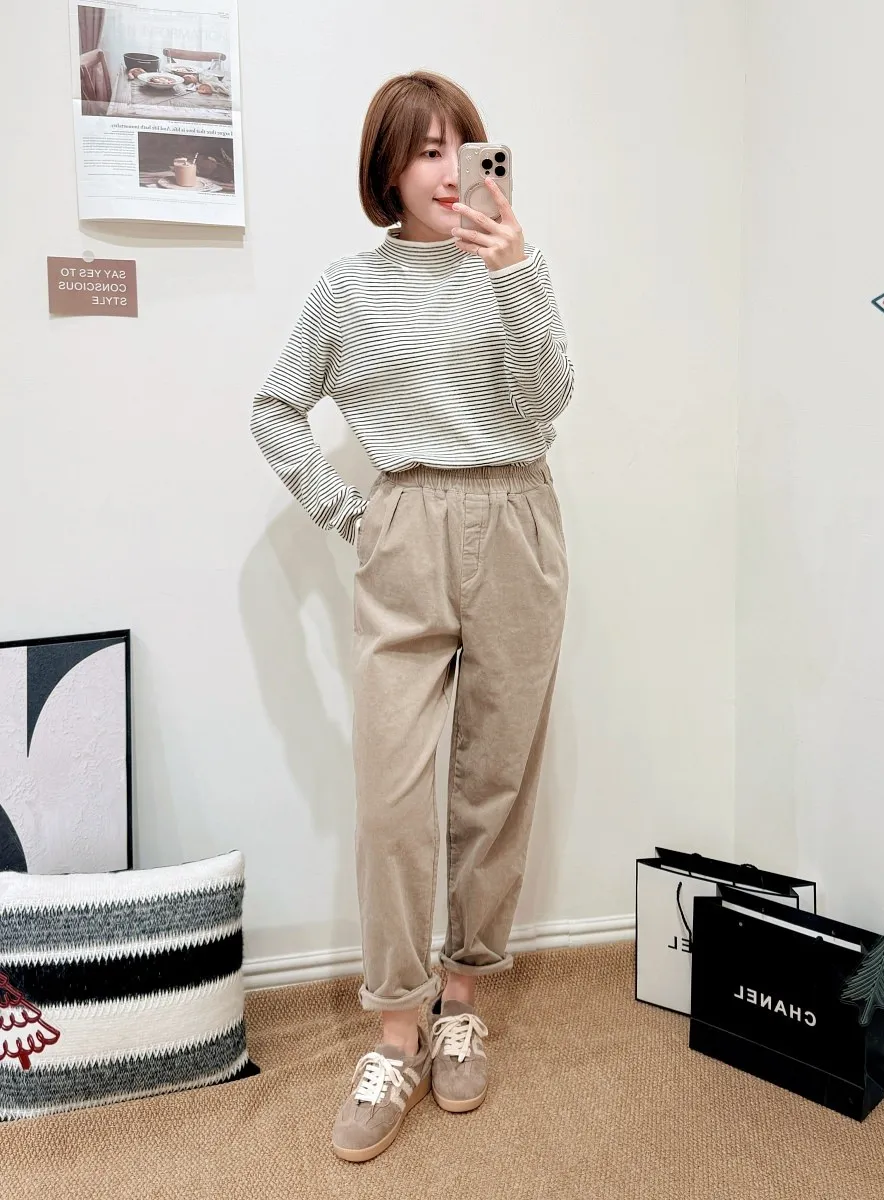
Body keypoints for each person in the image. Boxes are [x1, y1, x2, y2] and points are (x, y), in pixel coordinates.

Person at [250, 69, 573, 1163]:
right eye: (426, 150)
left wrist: (516, 270)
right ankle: (397, 1031)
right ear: (387, 169)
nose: (448, 170)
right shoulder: (347, 290)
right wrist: (350, 513)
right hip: (405, 525)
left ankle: (462, 1000)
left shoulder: (513, 266)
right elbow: (275, 406)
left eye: (462, 147)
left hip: (517, 518)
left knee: (495, 781)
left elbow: (551, 396)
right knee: (392, 794)